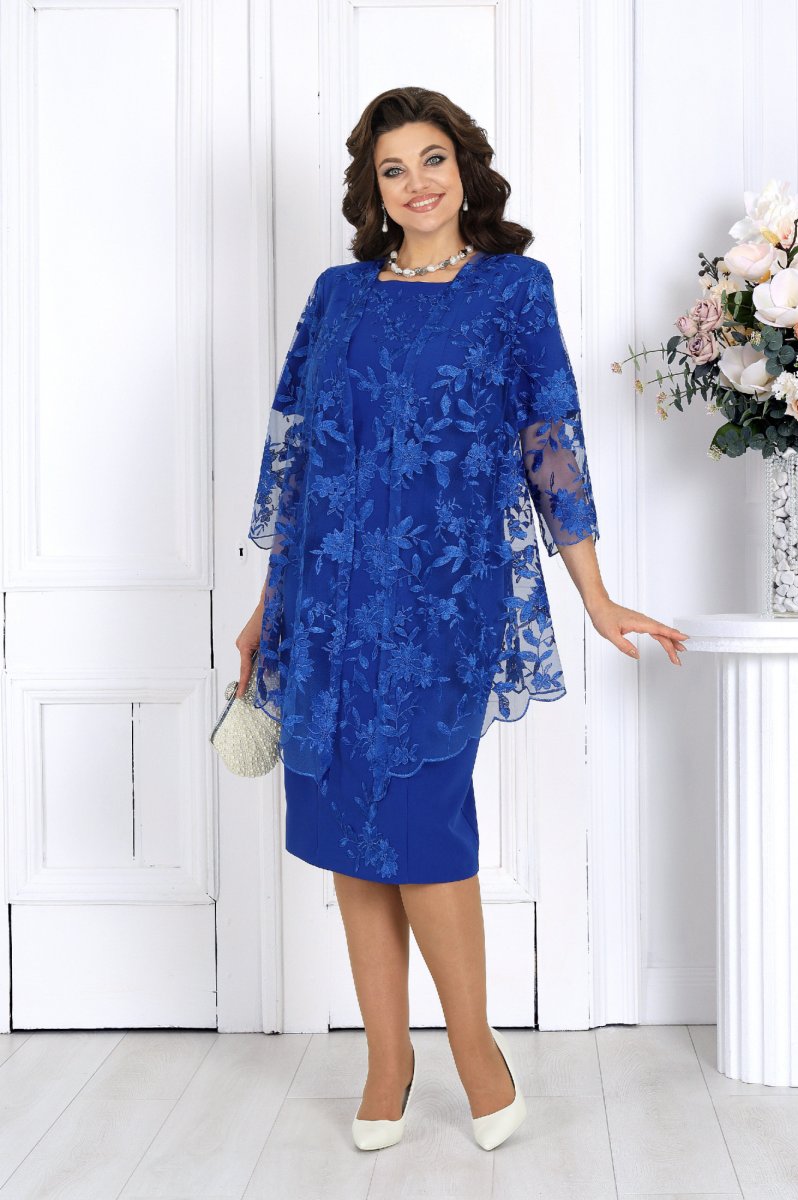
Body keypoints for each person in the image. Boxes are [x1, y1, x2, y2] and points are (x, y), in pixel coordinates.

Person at [235, 86, 690, 1150]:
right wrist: (266, 609)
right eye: (393, 169)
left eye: (431, 159)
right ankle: (386, 1060)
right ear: (373, 190)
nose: (417, 184)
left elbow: (549, 441)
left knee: (424, 822)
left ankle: (476, 1050)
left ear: (464, 167)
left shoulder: (513, 290)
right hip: (327, 600)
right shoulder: (338, 296)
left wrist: (593, 592)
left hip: (443, 598)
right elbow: (301, 463)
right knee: (348, 825)